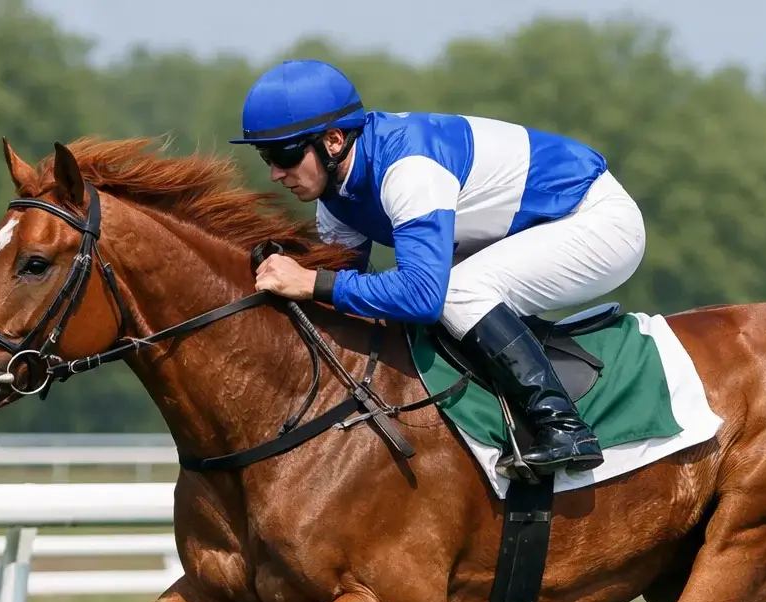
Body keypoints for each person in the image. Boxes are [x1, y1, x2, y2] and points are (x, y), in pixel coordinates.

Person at [231, 59, 647, 475]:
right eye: (266, 155)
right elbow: (345, 297)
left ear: (334, 140)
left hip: (595, 221)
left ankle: (564, 425)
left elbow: (421, 296)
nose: (273, 172)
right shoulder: (337, 195)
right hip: (523, 230)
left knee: (457, 291)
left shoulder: (408, 169)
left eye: (284, 154)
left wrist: (311, 280)